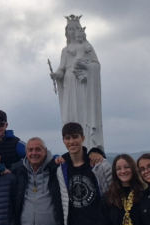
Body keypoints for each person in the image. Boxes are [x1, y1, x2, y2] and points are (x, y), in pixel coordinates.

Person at [51, 15, 103, 152]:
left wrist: (86, 68)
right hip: (69, 83)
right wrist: (56, 75)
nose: (72, 32)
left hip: (83, 84)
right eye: (70, 29)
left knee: (84, 113)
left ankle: (89, 145)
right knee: (70, 115)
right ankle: (73, 144)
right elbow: (61, 69)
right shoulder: (65, 50)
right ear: (66, 32)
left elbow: (96, 64)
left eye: (75, 29)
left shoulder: (87, 46)